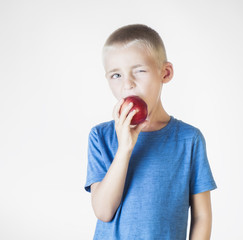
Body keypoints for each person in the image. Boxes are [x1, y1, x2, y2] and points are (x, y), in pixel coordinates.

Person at [84, 24, 217, 240]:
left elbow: (202, 215)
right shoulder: (101, 137)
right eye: (116, 75)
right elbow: (103, 211)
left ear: (165, 73)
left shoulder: (189, 139)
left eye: (139, 71)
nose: (128, 84)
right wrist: (124, 149)